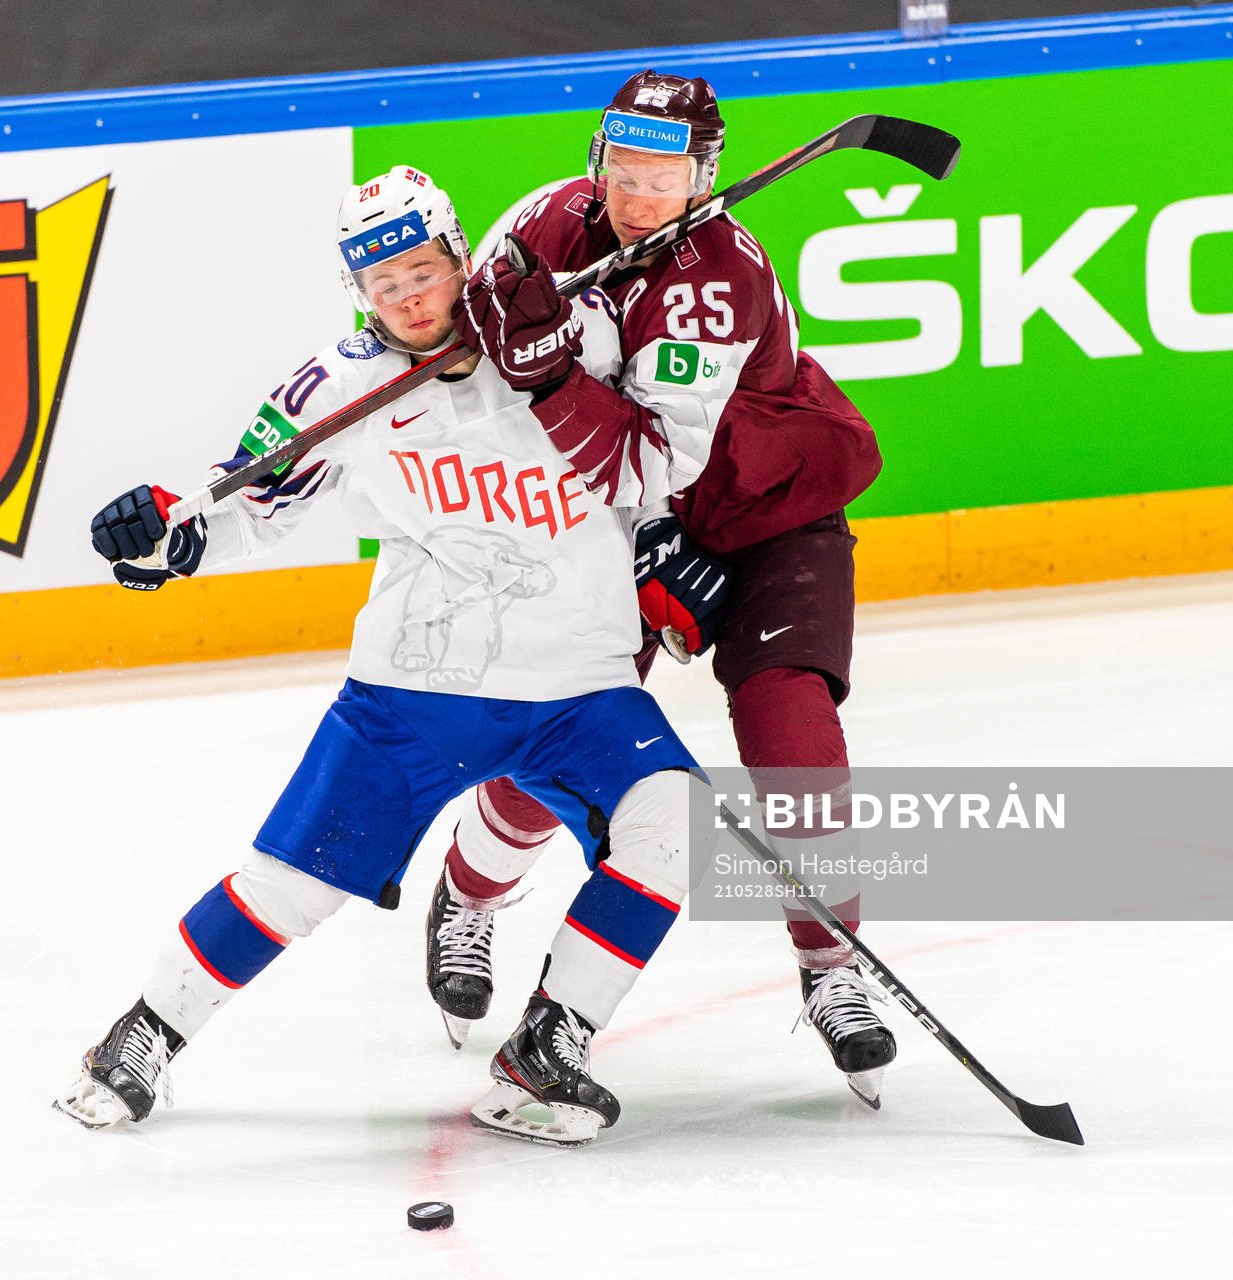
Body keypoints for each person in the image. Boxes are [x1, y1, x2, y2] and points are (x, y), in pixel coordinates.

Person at [54, 166, 714, 1147]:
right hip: (418, 690)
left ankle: (548, 1046)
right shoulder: (337, 387)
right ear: (357, 291)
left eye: (422, 270)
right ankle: (142, 1034)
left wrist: (674, 539)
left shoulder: (572, 331)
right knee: (293, 883)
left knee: (677, 822)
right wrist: (163, 537)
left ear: (460, 256)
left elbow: (656, 454)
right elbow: (243, 504)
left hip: (580, 685)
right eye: (383, 282)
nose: (407, 296)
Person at [424, 71, 898, 1106]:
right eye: (624, 171)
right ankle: (470, 890)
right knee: (564, 727)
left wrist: (555, 377)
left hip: (768, 508)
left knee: (793, 730)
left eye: (663, 178)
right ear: (599, 158)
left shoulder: (719, 277)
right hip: (616, 518)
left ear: (703, 179)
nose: (638, 197)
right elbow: (470, 380)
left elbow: (655, 458)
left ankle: (832, 964)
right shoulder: (542, 226)